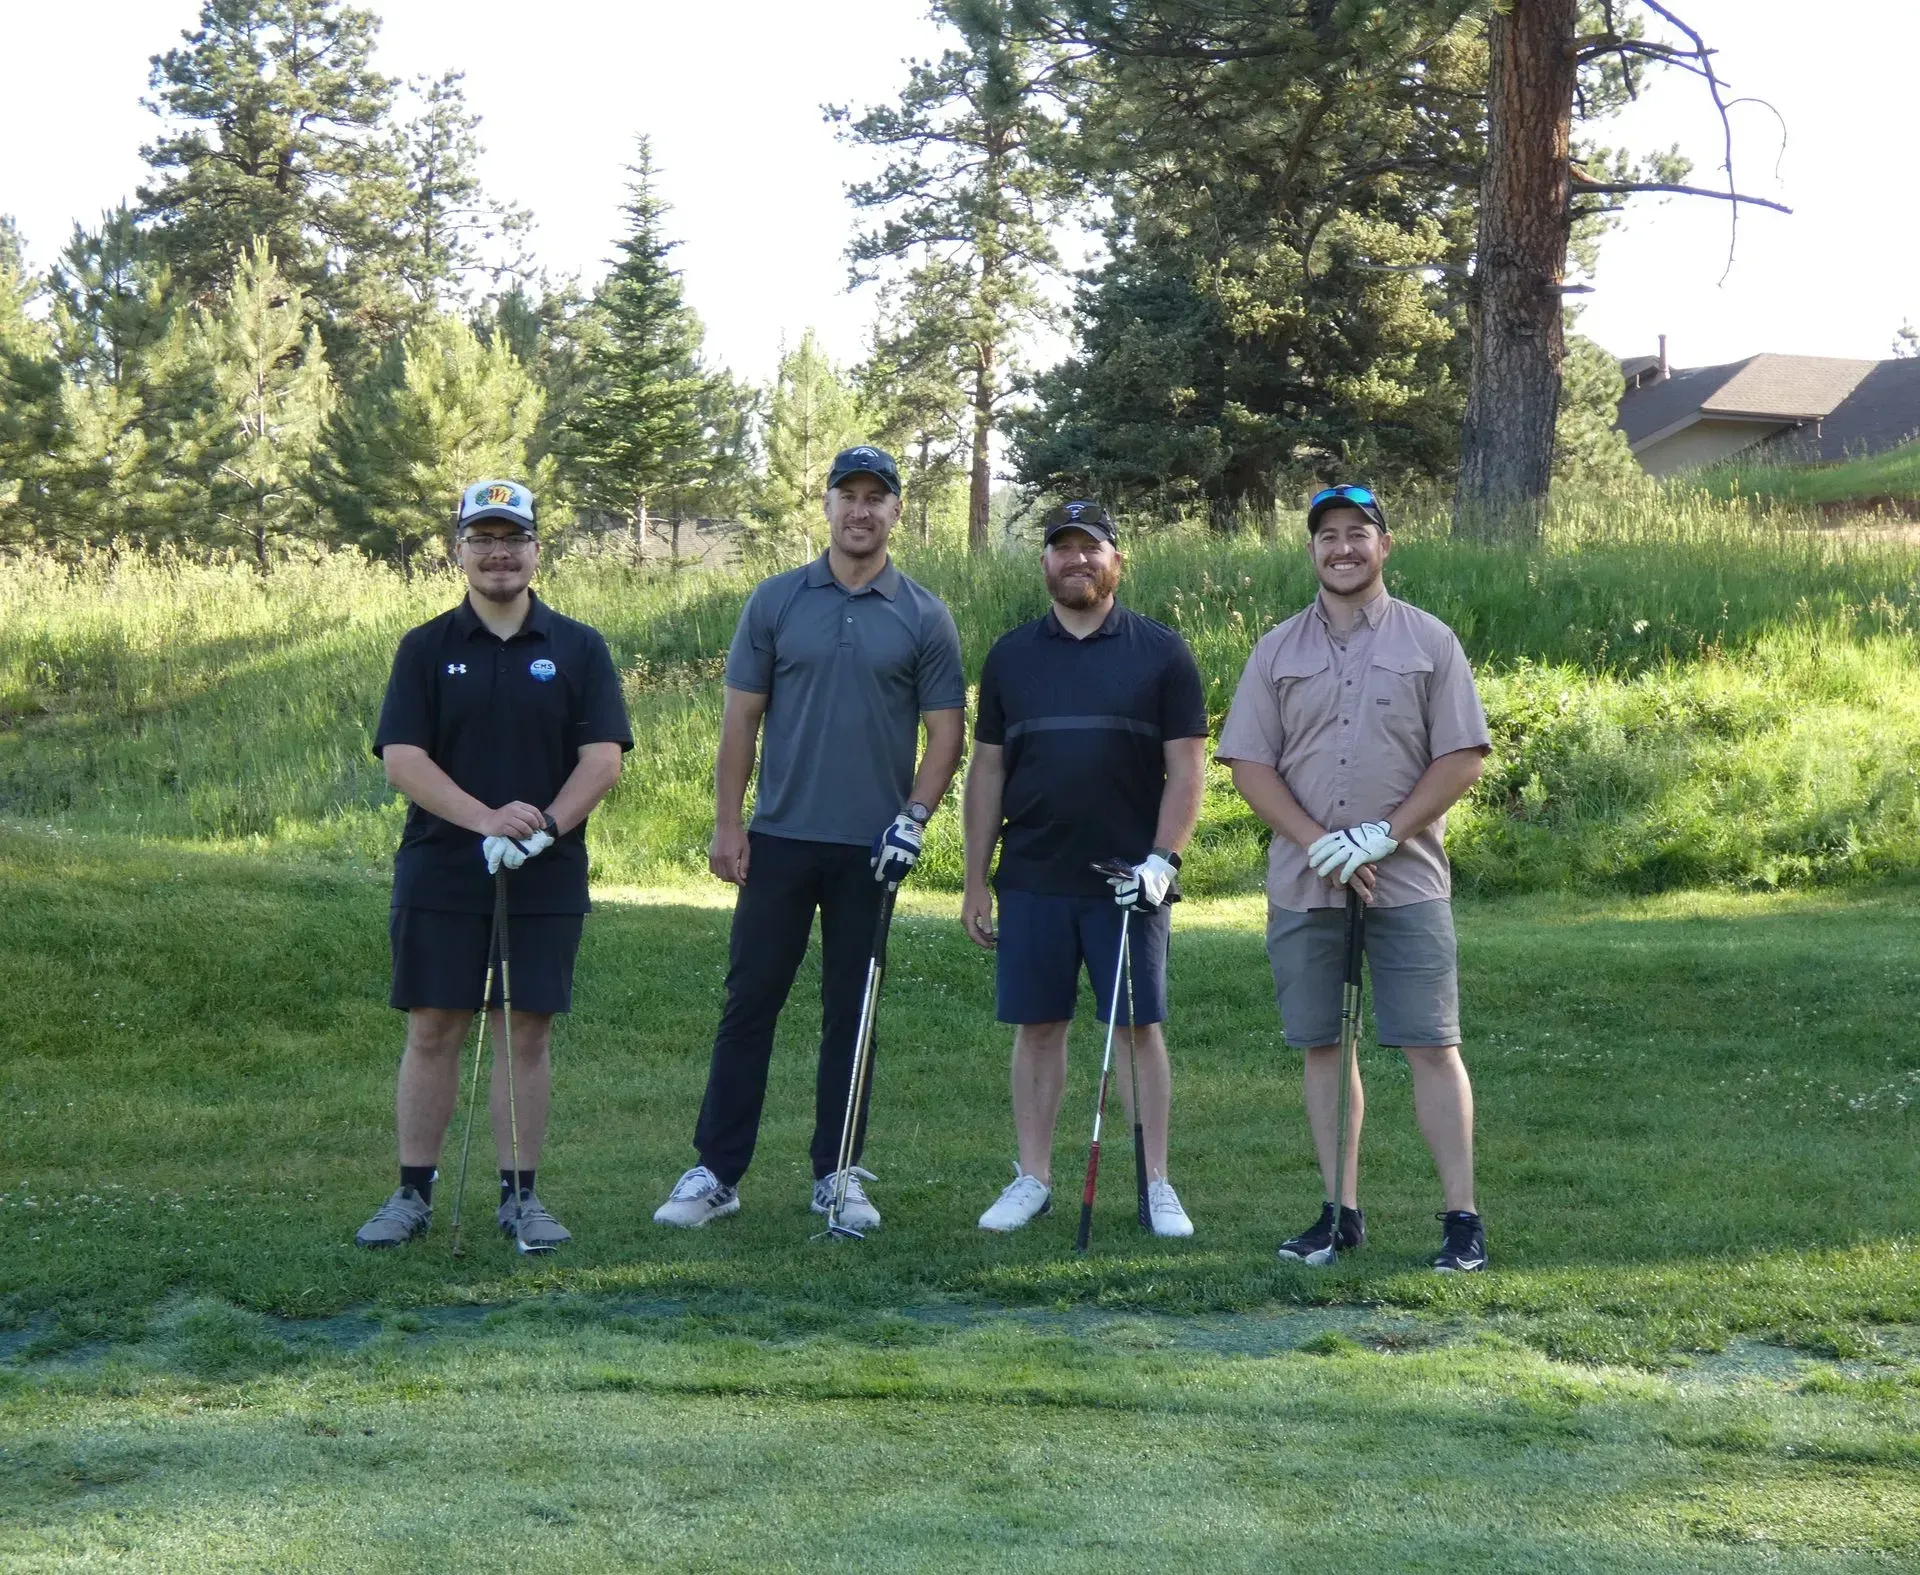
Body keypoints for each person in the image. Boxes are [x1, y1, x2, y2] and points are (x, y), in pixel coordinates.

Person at [653, 445, 965, 1233]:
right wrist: (729, 823)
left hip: (873, 851)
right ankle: (716, 1173)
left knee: (850, 1014)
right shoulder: (777, 600)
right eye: (847, 495)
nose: (861, 510)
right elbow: (740, 722)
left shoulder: (924, 614)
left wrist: (915, 817)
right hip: (781, 838)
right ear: (825, 506)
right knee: (749, 1003)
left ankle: (838, 1173)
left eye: (877, 497)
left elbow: (946, 736)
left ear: (898, 511)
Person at [1215, 483, 1492, 1272]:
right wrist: (1319, 844)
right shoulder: (1276, 650)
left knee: (1432, 1043)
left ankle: (1461, 1220)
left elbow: (1462, 756)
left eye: (1358, 533)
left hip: (1407, 880)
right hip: (1307, 884)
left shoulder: (1430, 641)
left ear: (1384, 545)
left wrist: (1380, 836)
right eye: (1328, 535)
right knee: (1324, 1046)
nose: (1343, 547)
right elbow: (1250, 763)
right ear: (1312, 550)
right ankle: (1340, 1213)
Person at [355, 480, 632, 1250]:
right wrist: (486, 820)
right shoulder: (426, 647)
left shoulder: (578, 647)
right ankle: (412, 1193)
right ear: (459, 551)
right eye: (483, 538)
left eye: (513, 538)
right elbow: (403, 760)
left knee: (526, 1031)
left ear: (538, 549)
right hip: (443, 867)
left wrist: (541, 825)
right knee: (435, 1026)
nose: (499, 552)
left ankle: (521, 1200)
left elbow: (602, 760)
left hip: (544, 868)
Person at [962, 500, 1209, 1237]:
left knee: (1137, 1027)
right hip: (1034, 872)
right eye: (1062, 548)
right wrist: (975, 878)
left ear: (1116, 561)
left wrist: (1164, 858)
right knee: (1038, 1025)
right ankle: (1032, 1175)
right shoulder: (1011, 655)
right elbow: (988, 773)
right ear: (1045, 562)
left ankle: (1157, 1182)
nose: (1076, 559)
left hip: (1130, 881)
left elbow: (1188, 768)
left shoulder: (1162, 652)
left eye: (1090, 547)